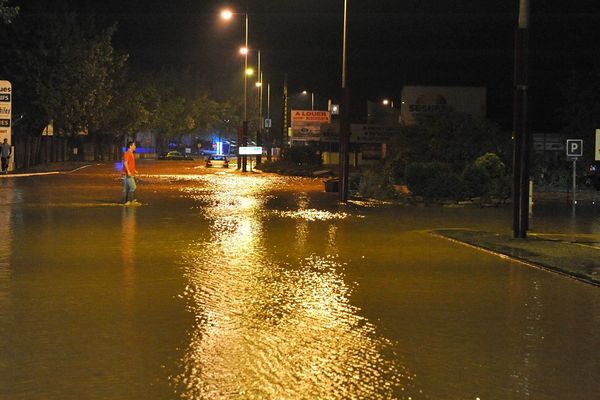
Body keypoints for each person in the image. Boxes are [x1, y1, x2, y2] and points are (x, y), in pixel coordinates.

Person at [122, 141, 139, 205]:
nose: (135, 147)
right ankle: (130, 201)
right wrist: (128, 171)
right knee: (133, 187)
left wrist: (134, 170)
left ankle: (126, 201)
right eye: (134, 145)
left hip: (130, 173)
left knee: (126, 188)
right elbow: (125, 162)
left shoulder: (131, 153)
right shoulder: (127, 153)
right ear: (130, 146)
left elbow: (130, 163)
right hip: (128, 174)